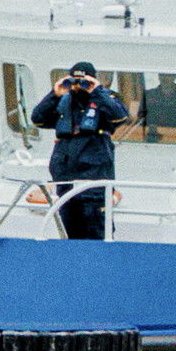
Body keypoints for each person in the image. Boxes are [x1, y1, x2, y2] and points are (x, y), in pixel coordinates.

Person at [30, 61, 128, 240]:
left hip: (93, 174)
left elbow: (119, 117)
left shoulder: (105, 99)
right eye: (74, 81)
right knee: (71, 226)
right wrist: (55, 94)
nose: (78, 86)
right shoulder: (63, 102)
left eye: (83, 81)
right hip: (65, 173)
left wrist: (96, 91)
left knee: (96, 225)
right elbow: (37, 118)